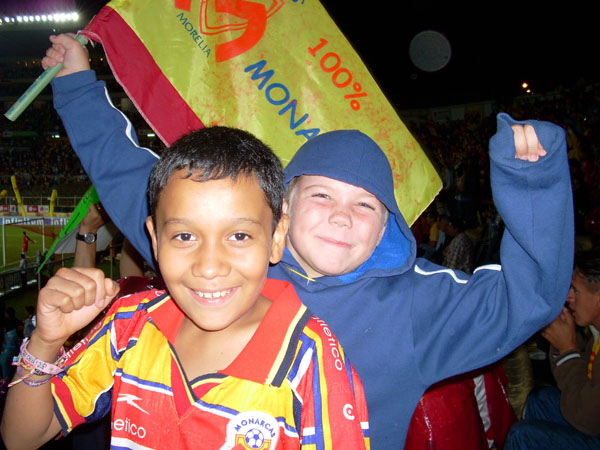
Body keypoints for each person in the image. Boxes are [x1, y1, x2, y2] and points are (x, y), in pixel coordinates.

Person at [42, 33, 574, 448]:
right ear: (284, 210)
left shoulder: (420, 304)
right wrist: (77, 85)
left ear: (386, 223)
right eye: (321, 196)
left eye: (365, 204)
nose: (342, 218)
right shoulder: (229, 257)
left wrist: (534, 189)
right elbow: (130, 177)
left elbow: (529, 299)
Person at [0, 127, 369, 449]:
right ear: (155, 241)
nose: (209, 267)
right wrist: (45, 343)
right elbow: (22, 438)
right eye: (184, 236)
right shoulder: (130, 324)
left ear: (276, 238)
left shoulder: (311, 360)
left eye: (239, 235)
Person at [504, 249, 600, 449]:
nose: (568, 298)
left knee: (522, 436)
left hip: (591, 422)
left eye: (575, 290)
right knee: (539, 399)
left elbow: (586, 418)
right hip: (589, 414)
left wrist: (567, 351)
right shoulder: (594, 333)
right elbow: (575, 381)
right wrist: (562, 345)